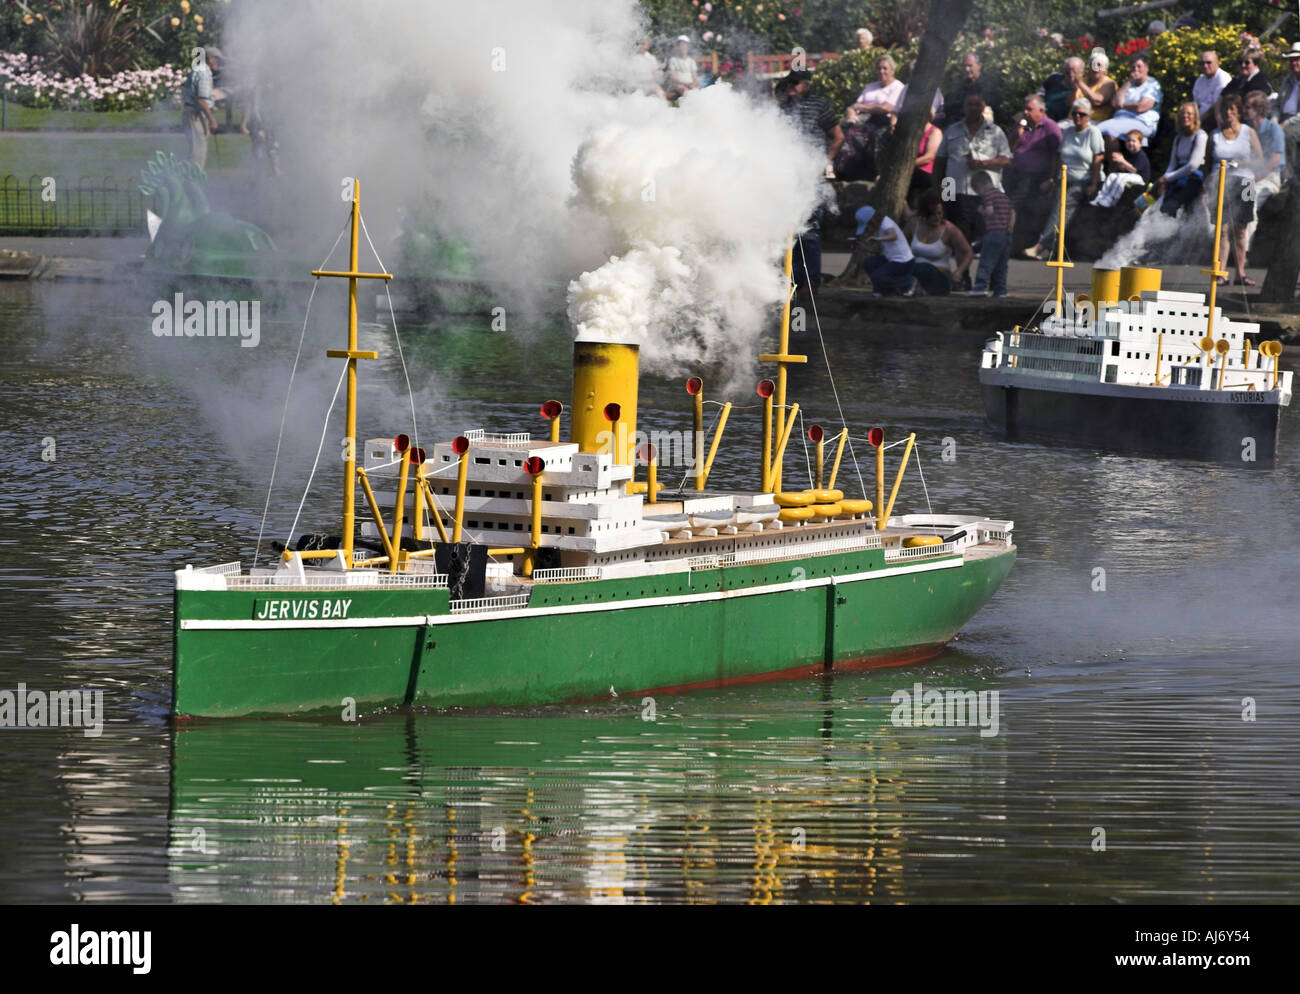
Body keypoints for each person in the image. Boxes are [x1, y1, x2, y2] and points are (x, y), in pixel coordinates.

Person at [779, 69, 843, 293]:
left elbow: (838, 136)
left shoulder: (819, 107)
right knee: (790, 229)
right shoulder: (783, 108)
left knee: (811, 230)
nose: (791, 87)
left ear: (806, 85)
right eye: (790, 83)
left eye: (796, 84)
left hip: (812, 175)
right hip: (789, 175)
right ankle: (793, 279)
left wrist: (824, 162)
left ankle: (811, 281)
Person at [1023, 98, 1103, 259]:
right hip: (1063, 178)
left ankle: (1041, 246)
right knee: (1055, 209)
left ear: (1088, 116)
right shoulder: (1068, 132)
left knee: (1061, 209)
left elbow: (1098, 158)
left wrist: (1093, 184)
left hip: (1082, 179)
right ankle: (1049, 249)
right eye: (1075, 113)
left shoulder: (1093, 132)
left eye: (1082, 114)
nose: (1078, 117)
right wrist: (1051, 179)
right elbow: (1058, 157)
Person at [933, 92, 1012, 244]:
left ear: (983, 107)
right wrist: (938, 189)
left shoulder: (995, 131)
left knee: (981, 236)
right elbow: (940, 161)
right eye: (969, 104)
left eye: (977, 105)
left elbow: (1007, 160)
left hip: (985, 192)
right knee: (956, 234)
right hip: (952, 188)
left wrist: (982, 164)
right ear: (964, 108)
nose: (973, 108)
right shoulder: (952, 130)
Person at [1206, 93, 1263, 286]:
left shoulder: (1248, 132)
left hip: (1245, 182)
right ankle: (1221, 271)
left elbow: (1260, 159)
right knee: (1222, 229)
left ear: (1239, 113)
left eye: (1232, 110)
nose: (1228, 113)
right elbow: (1207, 165)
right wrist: (1205, 189)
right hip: (1220, 182)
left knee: (1241, 229)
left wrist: (1242, 163)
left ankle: (1240, 272)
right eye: (1226, 110)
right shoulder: (1214, 135)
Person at [1007, 93, 1061, 249]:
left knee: (1025, 211)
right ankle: (1011, 243)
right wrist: (1017, 134)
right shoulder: (1021, 126)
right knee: (1011, 208)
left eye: (1029, 109)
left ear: (1041, 111)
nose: (1025, 112)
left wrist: (1051, 179)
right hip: (1016, 174)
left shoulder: (1050, 127)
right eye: (1025, 109)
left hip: (1037, 178)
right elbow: (1009, 147)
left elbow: (1056, 155)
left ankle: (1021, 244)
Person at [907, 189, 973, 294]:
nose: (937, 217)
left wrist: (959, 272)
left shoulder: (949, 229)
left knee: (922, 267)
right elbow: (899, 242)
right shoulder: (914, 223)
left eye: (940, 213)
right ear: (925, 214)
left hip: (939, 275)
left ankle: (915, 287)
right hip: (915, 274)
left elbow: (968, 252)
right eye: (933, 214)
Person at [1155, 102, 1207, 217]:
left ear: (1195, 117)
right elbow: (1172, 164)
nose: (1185, 116)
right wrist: (1163, 180)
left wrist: (1168, 178)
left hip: (1193, 178)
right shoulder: (1178, 138)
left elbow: (1193, 165)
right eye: (1182, 113)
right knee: (1160, 203)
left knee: (1171, 205)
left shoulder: (1200, 136)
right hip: (1177, 177)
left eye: (1189, 114)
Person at [1097, 54, 1162, 144]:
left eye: (1139, 66)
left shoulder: (1152, 84)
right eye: (1133, 67)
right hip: (1120, 119)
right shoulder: (1129, 85)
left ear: (1147, 68)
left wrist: (1123, 105)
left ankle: (1114, 156)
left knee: (1103, 130)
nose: (1136, 69)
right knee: (1105, 133)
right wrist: (1129, 81)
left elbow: (1141, 107)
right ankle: (1113, 156)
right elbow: (1115, 103)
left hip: (1142, 121)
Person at [968, 171, 1014, 298]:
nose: (979, 194)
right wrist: (1010, 226)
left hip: (994, 233)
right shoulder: (1003, 196)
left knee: (986, 261)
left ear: (981, 184)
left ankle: (980, 287)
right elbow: (1013, 212)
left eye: (977, 190)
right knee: (1001, 265)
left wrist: (981, 211)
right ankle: (1001, 290)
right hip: (1006, 234)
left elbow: (990, 211)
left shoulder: (988, 195)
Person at [855, 206, 915, 296]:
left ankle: (906, 283)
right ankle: (883, 289)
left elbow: (893, 236)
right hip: (891, 259)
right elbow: (878, 249)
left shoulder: (886, 222)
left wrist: (878, 239)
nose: (867, 228)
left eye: (867, 225)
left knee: (876, 276)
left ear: (872, 220)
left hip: (904, 262)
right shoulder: (878, 229)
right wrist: (864, 247)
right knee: (868, 263)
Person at [1243, 90, 1284, 220]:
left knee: (1249, 202)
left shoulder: (1274, 129)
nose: (1244, 110)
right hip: (1250, 178)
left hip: (1269, 178)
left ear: (1259, 109)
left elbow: (1274, 162)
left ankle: (1247, 239)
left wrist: (1255, 178)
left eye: (1248, 107)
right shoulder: (1247, 130)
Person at [181, 45, 223, 170]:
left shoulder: (200, 69)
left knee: (197, 148)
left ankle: (192, 181)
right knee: (198, 150)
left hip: (192, 112)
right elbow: (201, 100)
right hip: (195, 114)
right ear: (210, 59)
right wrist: (212, 120)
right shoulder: (204, 73)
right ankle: (193, 184)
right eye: (217, 59)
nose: (219, 62)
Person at [1090, 129, 1151, 207]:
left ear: (1140, 143)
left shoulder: (1141, 155)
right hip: (1130, 175)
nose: (1130, 143)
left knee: (1121, 178)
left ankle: (1112, 199)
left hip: (1141, 178)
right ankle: (1101, 197)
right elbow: (1124, 169)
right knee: (1112, 175)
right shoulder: (1127, 153)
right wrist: (1119, 163)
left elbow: (1135, 170)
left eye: (1133, 141)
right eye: (1128, 141)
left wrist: (1122, 161)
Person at [940, 52, 998, 127]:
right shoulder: (960, 86)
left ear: (979, 65)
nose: (967, 69)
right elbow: (950, 107)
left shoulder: (988, 86)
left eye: (970, 66)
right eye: (965, 66)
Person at [850, 54, 904, 121]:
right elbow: (856, 105)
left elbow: (885, 108)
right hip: (861, 120)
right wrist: (851, 115)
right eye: (879, 68)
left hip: (883, 122)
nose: (881, 71)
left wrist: (861, 107)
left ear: (892, 70)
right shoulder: (870, 86)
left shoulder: (898, 86)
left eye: (885, 68)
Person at [910, 106, 943, 199]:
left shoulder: (935, 132)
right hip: (913, 170)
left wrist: (907, 166)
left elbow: (930, 156)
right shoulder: (913, 132)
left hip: (927, 171)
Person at [1193, 50, 1231, 131]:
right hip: (1200, 120)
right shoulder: (1199, 80)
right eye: (1202, 63)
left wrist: (1199, 120)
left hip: (1214, 120)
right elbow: (1196, 104)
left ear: (1217, 63)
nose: (1205, 66)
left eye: (1208, 62)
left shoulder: (1223, 78)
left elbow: (1216, 106)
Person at [1041, 57, 1087, 123]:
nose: (1071, 74)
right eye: (1068, 72)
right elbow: (1039, 94)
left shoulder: (1084, 87)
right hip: (1041, 113)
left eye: (1074, 72)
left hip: (1060, 121)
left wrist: (1075, 89)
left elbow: (1074, 107)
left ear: (1082, 72)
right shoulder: (1054, 78)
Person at [1080, 50, 1116, 123]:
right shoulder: (1083, 81)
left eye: (1099, 65)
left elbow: (1097, 101)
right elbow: (1070, 102)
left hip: (1095, 120)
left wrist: (1079, 84)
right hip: (1074, 118)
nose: (1095, 68)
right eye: (1093, 65)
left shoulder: (1109, 83)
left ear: (1105, 69)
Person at [1275, 41, 1300, 125]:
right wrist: (1274, 122)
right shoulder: (1287, 80)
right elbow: (1277, 105)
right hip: (1282, 118)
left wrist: (1285, 124)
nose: (1293, 63)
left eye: (1297, 59)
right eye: (1291, 60)